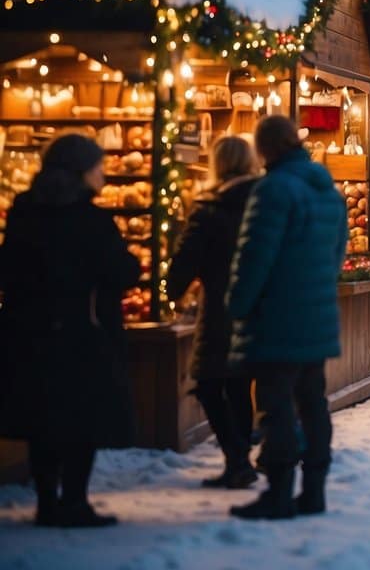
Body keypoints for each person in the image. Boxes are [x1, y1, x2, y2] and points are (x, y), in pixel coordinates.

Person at [0, 134, 138, 528]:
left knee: (42, 419)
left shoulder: (24, 212)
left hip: (27, 332)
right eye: (99, 167)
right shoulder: (91, 220)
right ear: (81, 171)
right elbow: (123, 270)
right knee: (82, 420)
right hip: (83, 334)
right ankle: (74, 502)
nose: (104, 174)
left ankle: (47, 501)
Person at [226, 115, 347, 519]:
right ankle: (314, 491)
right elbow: (335, 256)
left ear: (266, 149)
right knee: (312, 404)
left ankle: (278, 492)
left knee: (275, 406)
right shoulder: (327, 191)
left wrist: (237, 305)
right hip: (315, 316)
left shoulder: (273, 189)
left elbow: (254, 257)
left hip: (277, 316)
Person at [165, 136, 260, 490]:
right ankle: (240, 461)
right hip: (254, 308)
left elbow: (186, 260)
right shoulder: (262, 203)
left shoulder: (209, 208)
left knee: (208, 383)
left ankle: (236, 458)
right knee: (238, 384)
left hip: (219, 308)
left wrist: (172, 291)